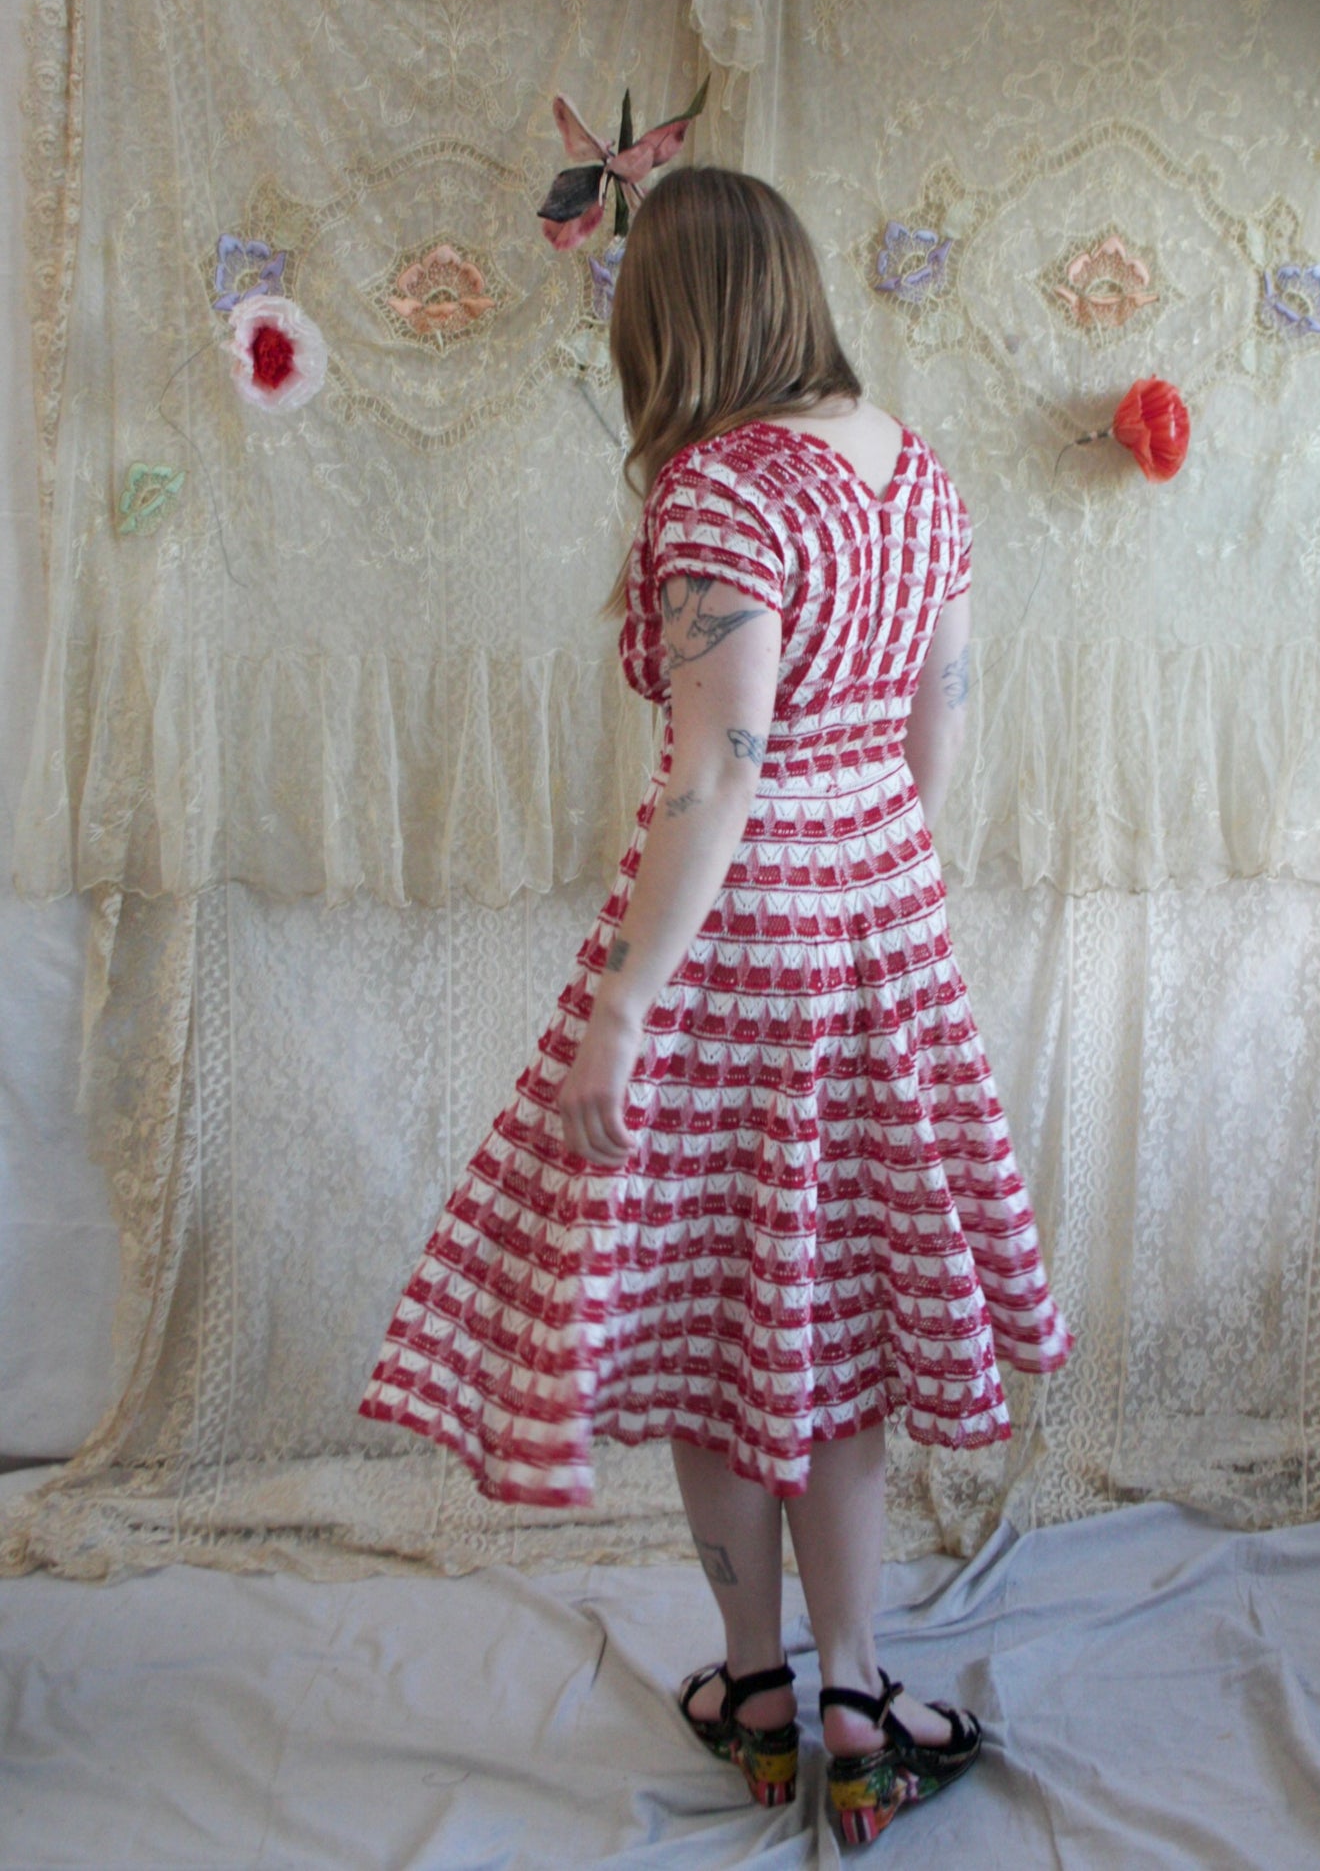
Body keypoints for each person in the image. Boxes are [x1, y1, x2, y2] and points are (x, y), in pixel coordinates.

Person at [358, 165, 1073, 1847]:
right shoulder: (914, 468)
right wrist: (879, 881)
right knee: (830, 1322)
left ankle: (756, 1691)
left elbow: (718, 768)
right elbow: (937, 724)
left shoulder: (718, 491)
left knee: (713, 1327)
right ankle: (853, 1691)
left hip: (736, 948)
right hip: (881, 924)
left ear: (671, 320)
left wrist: (622, 1006)